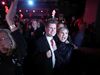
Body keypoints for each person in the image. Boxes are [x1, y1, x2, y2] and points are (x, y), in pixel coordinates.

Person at [0, 0, 27, 75]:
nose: (2, 42)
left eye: (5, 38)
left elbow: (9, 19)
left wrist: (9, 19)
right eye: (0, 40)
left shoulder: (18, 53)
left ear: (11, 41)